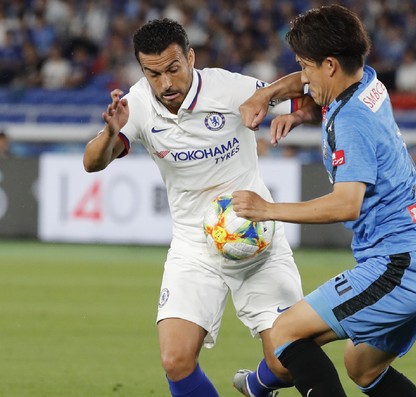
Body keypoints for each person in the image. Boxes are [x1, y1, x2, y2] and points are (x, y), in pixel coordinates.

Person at [232, 5, 416, 397]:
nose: (304, 76)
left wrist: (266, 210)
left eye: (306, 65)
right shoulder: (368, 82)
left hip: (397, 266)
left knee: (284, 334)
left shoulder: (352, 122)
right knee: (362, 366)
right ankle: (258, 386)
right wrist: (277, 100)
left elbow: (345, 205)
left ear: (330, 65)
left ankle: (259, 385)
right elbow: (310, 86)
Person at [83, 18, 307, 397]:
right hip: (193, 246)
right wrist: (109, 133)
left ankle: (256, 385)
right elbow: (92, 163)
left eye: (173, 69)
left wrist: (296, 112)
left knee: (286, 366)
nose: (165, 83)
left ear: (190, 57)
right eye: (153, 74)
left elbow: (307, 85)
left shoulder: (229, 88)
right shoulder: (136, 105)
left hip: (255, 240)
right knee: (176, 360)